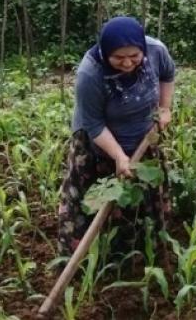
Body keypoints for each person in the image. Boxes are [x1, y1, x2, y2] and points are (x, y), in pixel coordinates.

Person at [58, 16, 176, 254]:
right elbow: (93, 123)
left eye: (134, 56)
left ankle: (145, 248)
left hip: (143, 135)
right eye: (118, 57)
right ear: (105, 51)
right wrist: (119, 157)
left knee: (145, 191)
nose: (127, 63)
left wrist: (164, 108)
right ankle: (89, 257)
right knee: (92, 199)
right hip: (98, 143)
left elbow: (167, 74)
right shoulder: (90, 73)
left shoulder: (156, 50)